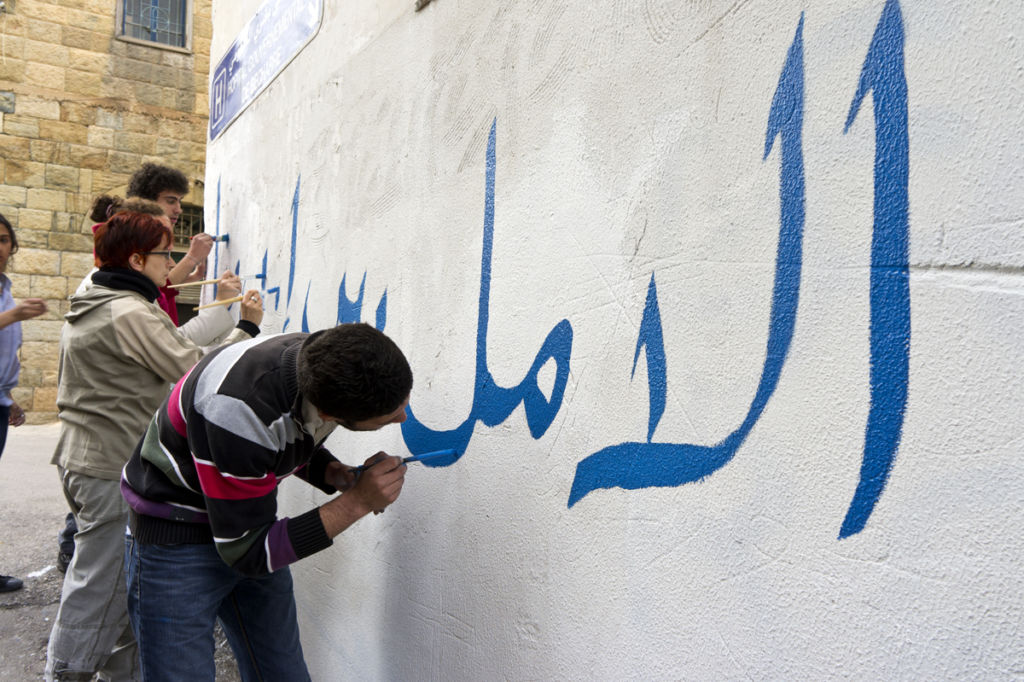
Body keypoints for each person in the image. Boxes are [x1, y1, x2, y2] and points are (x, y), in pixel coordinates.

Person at [121, 323, 412, 681]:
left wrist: (330, 472)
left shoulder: (326, 362)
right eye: (389, 416)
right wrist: (356, 503)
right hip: (175, 538)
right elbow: (248, 552)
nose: (404, 415)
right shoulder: (236, 408)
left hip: (244, 523)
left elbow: (282, 436)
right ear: (330, 414)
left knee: (282, 673)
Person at [45, 210, 264, 682]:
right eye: (167, 254)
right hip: (106, 463)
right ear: (137, 257)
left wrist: (222, 309)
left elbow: (170, 341)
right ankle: (64, 673)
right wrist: (245, 329)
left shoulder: (106, 296)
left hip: (90, 458)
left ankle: (117, 673)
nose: (174, 264)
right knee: (99, 585)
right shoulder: (125, 309)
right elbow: (191, 370)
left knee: (122, 581)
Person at [0, 213, 48, 593]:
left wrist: (9, 397)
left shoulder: (5, 288)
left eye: (2, 239)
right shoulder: (8, 302)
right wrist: (13, 315)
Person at [125, 162, 215, 324]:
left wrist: (193, 276)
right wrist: (192, 258)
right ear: (147, 201)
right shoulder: (131, 239)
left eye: (179, 201)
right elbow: (157, 293)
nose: (179, 209)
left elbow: (163, 287)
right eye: (171, 201)